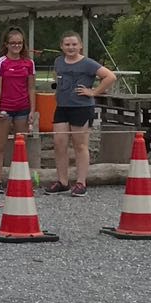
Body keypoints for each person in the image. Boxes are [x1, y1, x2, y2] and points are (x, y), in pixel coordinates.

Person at [48, 32, 117, 197]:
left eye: (74, 44)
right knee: (59, 143)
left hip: (81, 107)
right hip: (62, 107)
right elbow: (57, 78)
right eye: (67, 45)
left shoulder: (88, 63)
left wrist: (94, 92)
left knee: (80, 145)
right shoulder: (59, 61)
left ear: (80, 46)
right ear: (62, 46)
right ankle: (62, 181)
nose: (71, 47)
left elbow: (110, 76)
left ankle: (81, 182)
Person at [0, 27, 37, 193]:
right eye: (13, 43)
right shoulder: (0, 62)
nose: (16, 46)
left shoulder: (29, 63)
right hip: (5, 108)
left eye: (19, 43)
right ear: (6, 44)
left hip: (23, 108)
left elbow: (31, 87)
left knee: (21, 146)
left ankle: (20, 179)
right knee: (0, 146)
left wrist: (32, 110)